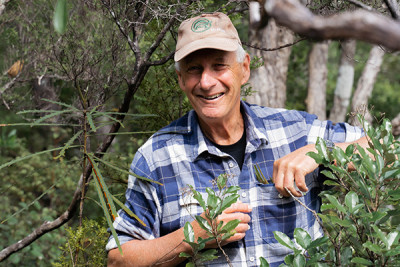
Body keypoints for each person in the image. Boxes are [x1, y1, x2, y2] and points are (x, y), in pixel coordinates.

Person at [107, 12, 366, 266]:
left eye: (219, 65)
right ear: (181, 79)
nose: (207, 82)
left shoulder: (296, 131)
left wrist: (321, 152)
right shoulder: (156, 157)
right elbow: (119, 260)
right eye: (194, 69)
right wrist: (193, 237)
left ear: (244, 69)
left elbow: (388, 151)